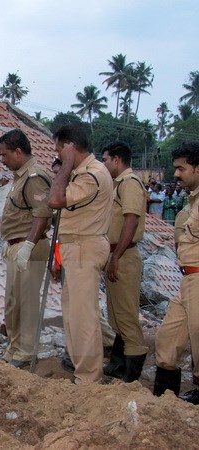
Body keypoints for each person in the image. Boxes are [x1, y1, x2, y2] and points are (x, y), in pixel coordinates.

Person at [48, 124, 114, 384]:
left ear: (69, 147)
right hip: (75, 248)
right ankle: (82, 371)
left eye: (59, 149)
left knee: (84, 318)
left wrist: (65, 165)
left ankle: (88, 378)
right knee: (74, 315)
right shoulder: (82, 172)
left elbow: (55, 200)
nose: (57, 154)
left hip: (85, 247)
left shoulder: (91, 174)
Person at [0, 129, 52, 368]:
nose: (2, 159)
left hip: (30, 245)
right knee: (13, 302)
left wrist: (27, 245)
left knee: (26, 301)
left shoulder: (34, 177)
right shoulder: (20, 176)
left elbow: (42, 215)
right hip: (16, 244)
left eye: (5, 154)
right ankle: (15, 345)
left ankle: (26, 350)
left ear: (18, 151)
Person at [153, 142, 199, 404]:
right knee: (168, 340)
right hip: (187, 281)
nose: (176, 174)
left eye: (182, 168)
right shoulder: (191, 201)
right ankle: (163, 404)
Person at [101, 142, 148, 382]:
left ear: (117, 160)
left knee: (127, 315)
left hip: (124, 254)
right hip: (116, 253)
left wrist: (117, 256)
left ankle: (131, 376)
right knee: (116, 314)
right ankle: (118, 364)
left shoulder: (130, 183)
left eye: (106, 159)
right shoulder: (118, 184)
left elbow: (131, 220)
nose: (104, 164)